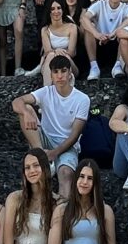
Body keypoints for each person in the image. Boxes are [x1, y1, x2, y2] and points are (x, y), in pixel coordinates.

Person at [14, 54, 92, 196]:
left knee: (66, 173)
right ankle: (40, 157)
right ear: (51, 74)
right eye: (55, 72)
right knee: (27, 109)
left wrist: (55, 153)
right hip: (43, 139)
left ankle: (62, 211)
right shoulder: (46, 92)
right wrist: (25, 112)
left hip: (67, 144)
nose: (60, 76)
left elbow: (74, 136)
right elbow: (17, 101)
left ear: (70, 73)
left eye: (63, 71)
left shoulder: (82, 99)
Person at [80, 0, 128, 83]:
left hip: (116, 42)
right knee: (88, 28)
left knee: (126, 31)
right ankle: (94, 67)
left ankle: (118, 66)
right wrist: (97, 34)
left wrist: (114, 33)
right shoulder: (100, 4)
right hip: (99, 42)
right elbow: (84, 18)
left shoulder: (125, 7)